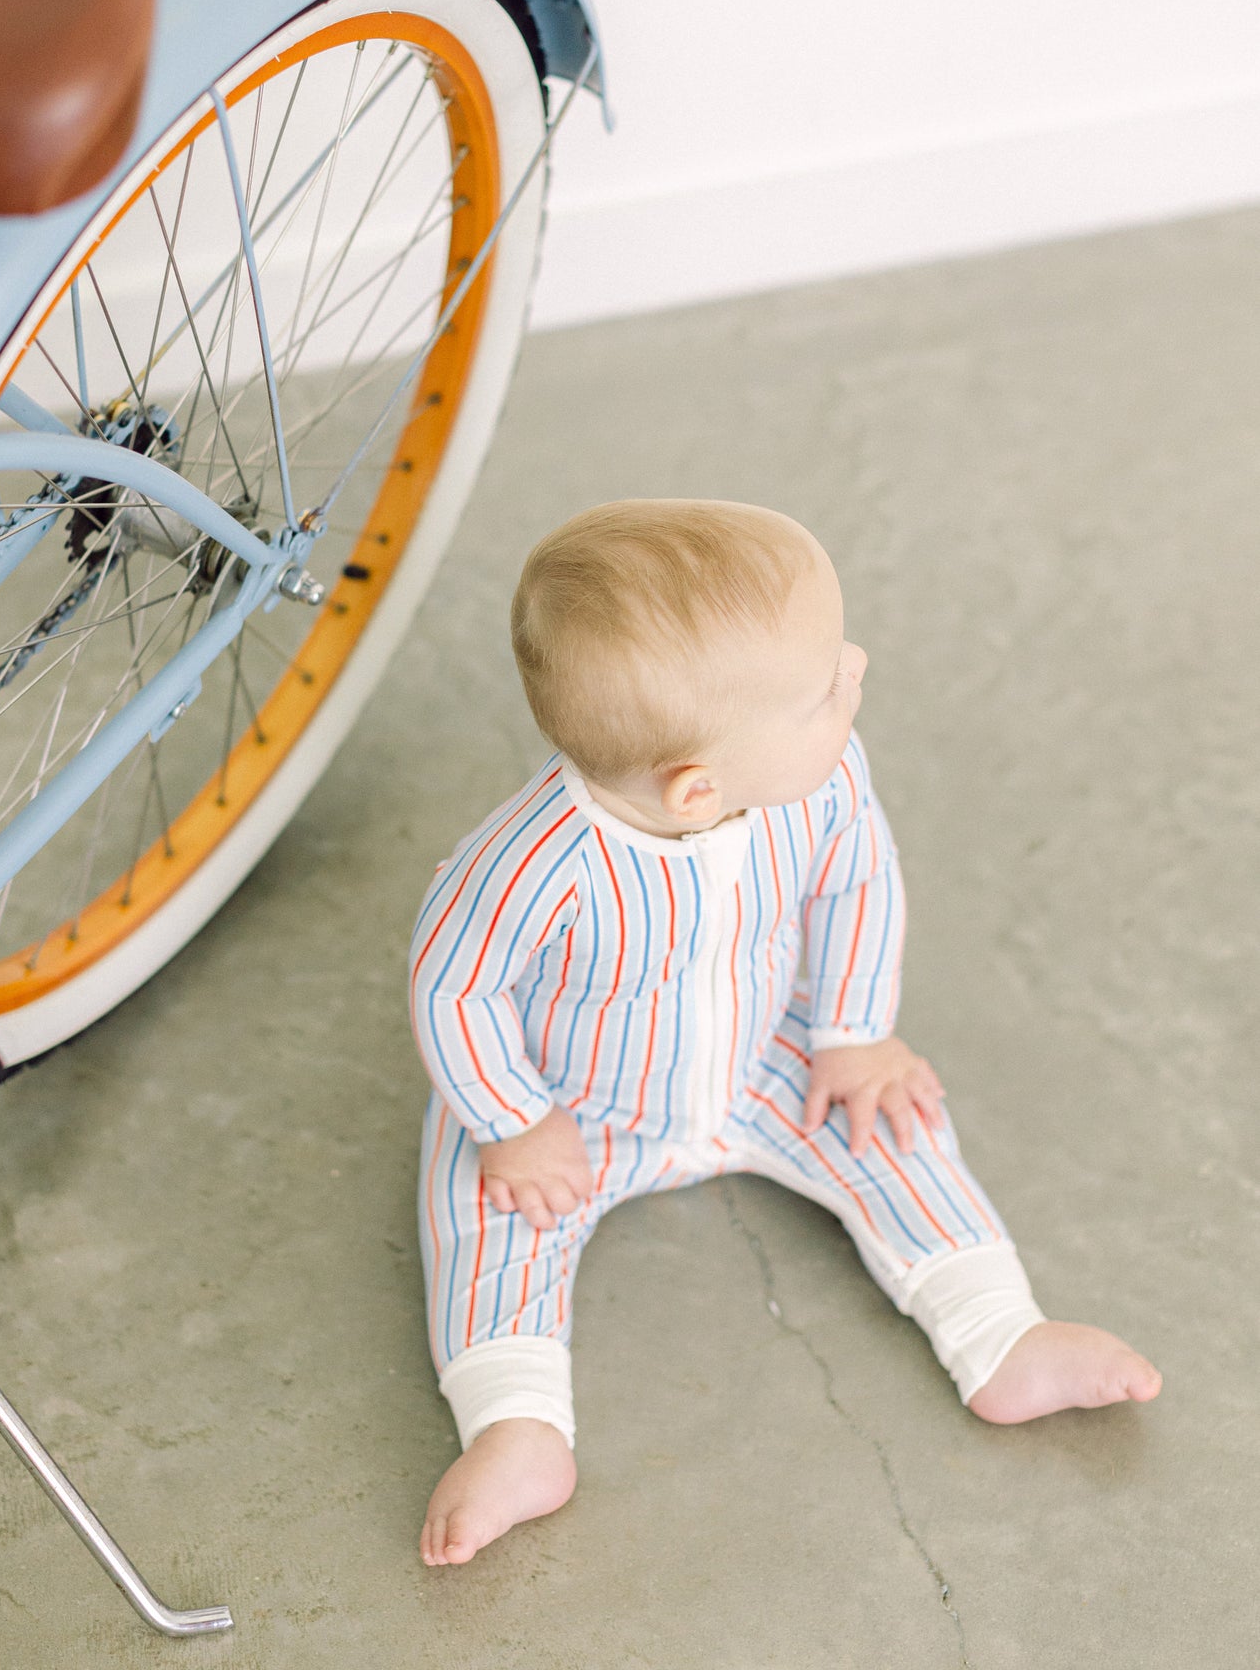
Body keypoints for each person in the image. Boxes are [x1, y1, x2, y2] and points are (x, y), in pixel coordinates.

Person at [409, 499, 1160, 1567]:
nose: (854, 667)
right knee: (479, 1210)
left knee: (894, 1126)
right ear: (695, 787)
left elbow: (859, 884)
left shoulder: (822, 780)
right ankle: (514, 1423)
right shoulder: (530, 867)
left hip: (771, 1059)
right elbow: (454, 991)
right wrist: (512, 1117)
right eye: (822, 688)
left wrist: (851, 1033)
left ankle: (1000, 1331)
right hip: (579, 1105)